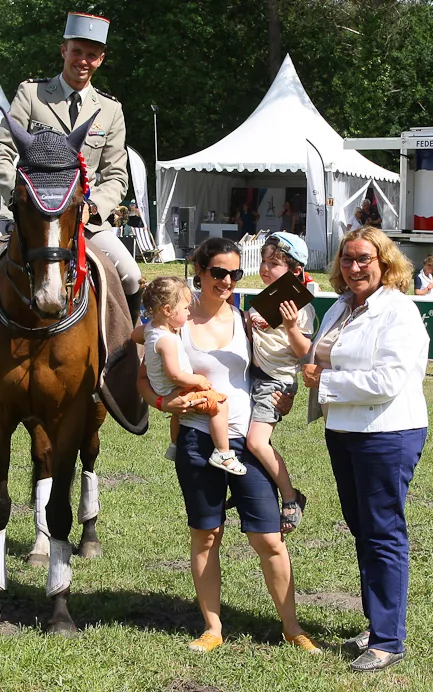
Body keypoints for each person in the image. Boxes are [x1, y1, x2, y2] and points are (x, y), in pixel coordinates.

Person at [136, 237, 318, 656]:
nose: (228, 281)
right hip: (198, 442)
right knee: (206, 535)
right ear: (199, 271)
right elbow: (144, 381)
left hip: (245, 444)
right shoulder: (172, 323)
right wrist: (165, 402)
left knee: (269, 538)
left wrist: (285, 395)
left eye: (235, 273)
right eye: (219, 272)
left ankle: (293, 628)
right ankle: (212, 628)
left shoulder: (244, 318)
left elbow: (273, 366)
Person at [301, 226, 428, 673]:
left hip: (387, 433)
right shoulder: (342, 306)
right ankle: (378, 625)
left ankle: (389, 640)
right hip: (345, 430)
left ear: (385, 263)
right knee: (365, 531)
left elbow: (389, 381)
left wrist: (326, 382)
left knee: (383, 533)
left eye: (364, 260)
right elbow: (321, 357)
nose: (354, 268)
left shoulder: (400, 311)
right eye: (348, 259)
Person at [0, 12, 141, 319]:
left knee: (131, 276)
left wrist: (92, 208)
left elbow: (116, 175)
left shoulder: (111, 110)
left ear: (101, 59)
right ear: (64, 50)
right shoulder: (31, 94)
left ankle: (126, 358)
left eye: (92, 55)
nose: (83, 60)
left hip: (85, 221)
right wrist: (19, 199)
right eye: (78, 51)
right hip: (26, 215)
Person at [246, 232, 315, 534]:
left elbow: (305, 352)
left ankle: (291, 496)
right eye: (263, 261)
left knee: (256, 441)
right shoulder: (260, 302)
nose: (265, 268)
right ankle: (253, 486)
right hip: (255, 377)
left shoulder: (300, 308)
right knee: (248, 440)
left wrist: (290, 327)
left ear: (294, 270)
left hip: (276, 382)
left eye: (274, 263)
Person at [142, 276, 243, 476]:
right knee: (220, 404)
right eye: (186, 308)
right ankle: (223, 453)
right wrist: (199, 380)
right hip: (178, 389)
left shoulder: (150, 330)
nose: (189, 312)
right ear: (168, 311)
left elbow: (134, 336)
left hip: (165, 390)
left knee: (178, 416)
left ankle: (174, 444)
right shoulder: (167, 341)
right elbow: (175, 375)